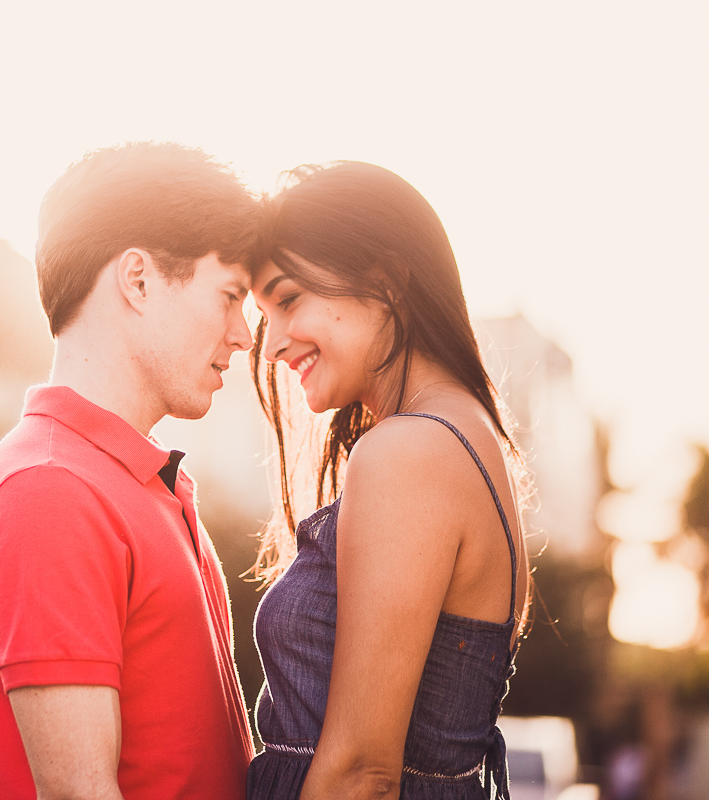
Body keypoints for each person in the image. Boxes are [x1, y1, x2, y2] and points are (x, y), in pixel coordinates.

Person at [0, 142, 262, 800]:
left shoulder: (131, 482)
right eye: (231, 296)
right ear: (138, 279)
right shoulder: (49, 489)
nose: (244, 333)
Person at [246, 161, 530, 800]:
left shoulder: (409, 451)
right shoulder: (459, 433)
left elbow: (359, 774)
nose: (272, 346)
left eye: (288, 300)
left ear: (386, 283)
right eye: (264, 313)